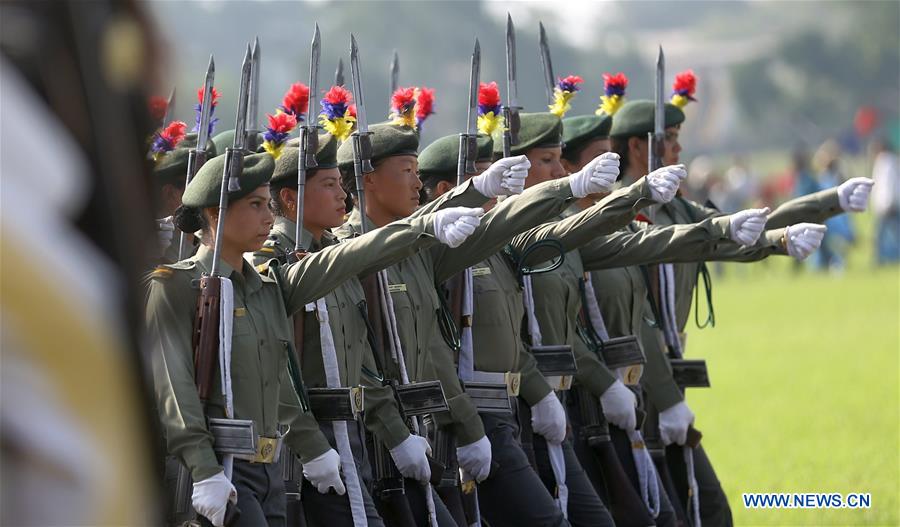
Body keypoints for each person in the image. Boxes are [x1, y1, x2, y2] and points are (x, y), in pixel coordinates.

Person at [147, 150, 484, 527]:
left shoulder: (267, 288)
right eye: (256, 205)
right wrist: (204, 469)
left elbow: (344, 261)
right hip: (220, 471)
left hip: (270, 470)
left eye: (266, 205)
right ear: (214, 214)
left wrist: (424, 228)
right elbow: (174, 390)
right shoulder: (176, 287)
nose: (268, 216)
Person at [871, 138, 900, 264]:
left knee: (880, 235)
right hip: (891, 204)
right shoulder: (891, 161)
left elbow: (887, 185)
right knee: (893, 234)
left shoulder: (885, 162)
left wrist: (886, 203)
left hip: (887, 205)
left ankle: (879, 259)